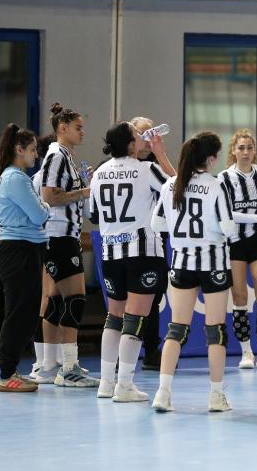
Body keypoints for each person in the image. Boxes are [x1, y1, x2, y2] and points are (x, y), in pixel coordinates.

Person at [151, 132, 236, 412]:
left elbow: (156, 225)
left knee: (176, 328)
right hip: (213, 263)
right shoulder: (216, 185)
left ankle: (163, 393)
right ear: (211, 158)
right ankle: (216, 396)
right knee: (216, 330)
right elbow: (228, 228)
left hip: (181, 263)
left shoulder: (171, 185)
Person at [90, 121, 172, 402]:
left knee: (114, 317)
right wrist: (160, 153)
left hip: (110, 254)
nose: (142, 137)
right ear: (129, 144)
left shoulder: (99, 173)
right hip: (142, 252)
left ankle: (106, 382)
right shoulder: (146, 169)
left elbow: (93, 214)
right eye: (137, 135)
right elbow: (178, 189)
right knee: (135, 318)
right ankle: (124, 385)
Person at [38, 102, 98, 387]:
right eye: (78, 128)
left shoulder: (68, 156)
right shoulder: (56, 156)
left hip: (68, 235)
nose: (82, 132)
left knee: (58, 300)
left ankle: (51, 364)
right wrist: (86, 191)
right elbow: (49, 196)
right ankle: (68, 368)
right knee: (75, 299)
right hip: (59, 235)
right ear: (62, 128)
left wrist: (83, 189)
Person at [0, 123, 50, 392]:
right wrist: (45, 206)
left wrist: (41, 206)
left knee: (26, 313)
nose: (36, 155)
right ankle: (5, 374)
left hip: (27, 249)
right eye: (33, 150)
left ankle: (11, 369)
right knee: (18, 313)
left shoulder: (18, 177)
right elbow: (39, 215)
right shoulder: (15, 178)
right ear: (19, 149)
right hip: (18, 251)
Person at [218, 128, 257, 370]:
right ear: (233, 150)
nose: (246, 152)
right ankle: (246, 352)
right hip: (235, 242)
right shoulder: (224, 178)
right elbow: (225, 213)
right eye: (241, 148)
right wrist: (255, 218)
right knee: (239, 295)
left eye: (250, 148)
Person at [131, 116, 176, 371]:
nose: (149, 139)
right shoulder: (112, 166)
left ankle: (150, 351)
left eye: (152, 133)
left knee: (152, 298)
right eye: (143, 134)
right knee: (124, 303)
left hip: (154, 241)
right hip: (123, 243)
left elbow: (178, 186)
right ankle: (120, 355)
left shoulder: (154, 166)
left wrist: (161, 154)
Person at [28, 134, 64, 380]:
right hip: (49, 240)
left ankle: (55, 358)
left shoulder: (56, 176)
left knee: (58, 299)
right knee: (48, 298)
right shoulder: (41, 178)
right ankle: (42, 362)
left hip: (57, 240)